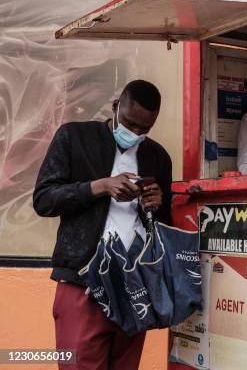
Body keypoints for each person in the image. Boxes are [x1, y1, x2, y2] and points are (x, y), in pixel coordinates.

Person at [33, 80, 172, 370]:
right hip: (82, 282)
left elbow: (163, 227)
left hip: (134, 287)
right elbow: (44, 200)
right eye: (130, 123)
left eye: (143, 130)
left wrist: (155, 206)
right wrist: (99, 187)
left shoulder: (157, 157)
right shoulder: (74, 137)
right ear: (115, 106)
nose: (134, 134)